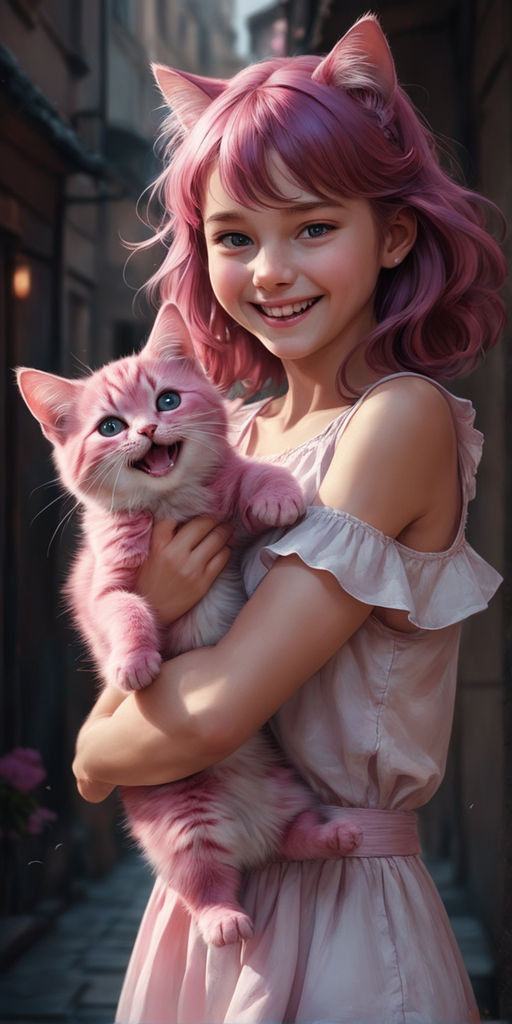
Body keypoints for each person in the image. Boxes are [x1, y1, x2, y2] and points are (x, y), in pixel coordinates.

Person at [72, 15, 506, 1024]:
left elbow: (189, 722)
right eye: (234, 236)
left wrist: (98, 746)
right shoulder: (243, 436)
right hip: (206, 902)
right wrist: (154, 625)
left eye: (312, 227)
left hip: (342, 906)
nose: (268, 269)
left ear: (392, 233)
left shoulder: (398, 420)